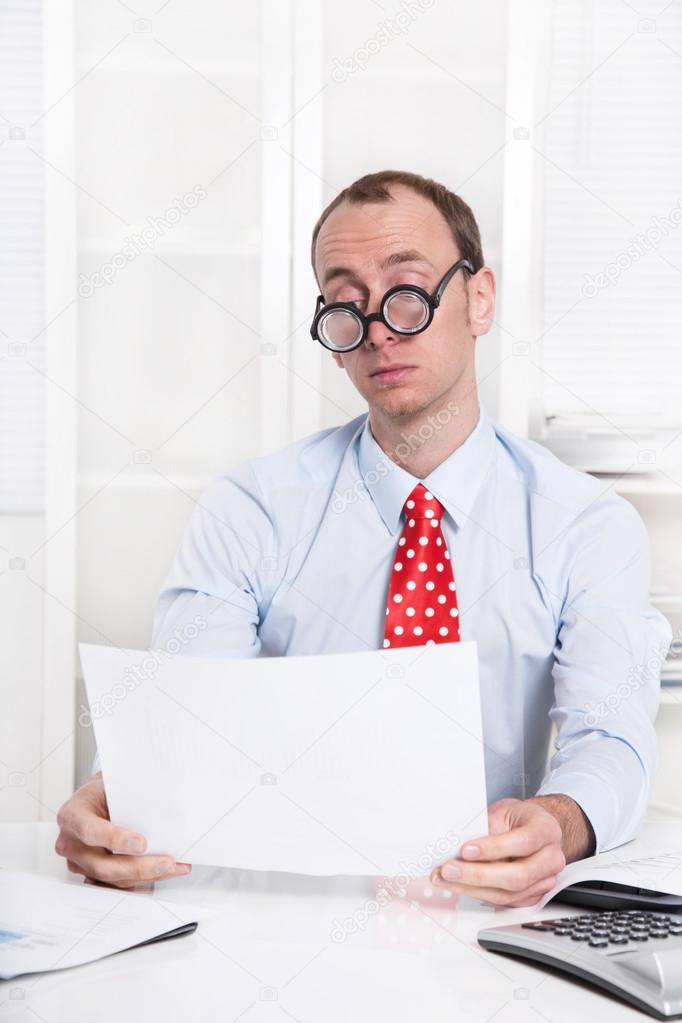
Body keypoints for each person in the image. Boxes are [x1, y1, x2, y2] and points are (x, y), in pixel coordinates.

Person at [55, 170, 672, 905]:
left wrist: (556, 822)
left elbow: (610, 742)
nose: (377, 328)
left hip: (483, 917)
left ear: (479, 299)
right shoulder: (251, 509)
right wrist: (121, 799)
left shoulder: (584, 524)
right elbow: (193, 712)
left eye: (407, 289)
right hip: (278, 910)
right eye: (345, 303)